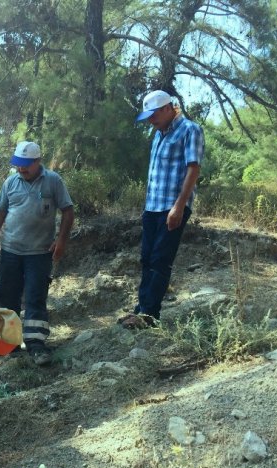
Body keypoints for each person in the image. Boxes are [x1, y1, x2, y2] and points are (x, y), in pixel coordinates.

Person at [118, 90, 204, 329]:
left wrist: (179, 206)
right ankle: (141, 308)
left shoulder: (189, 130)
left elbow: (193, 169)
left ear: (168, 108)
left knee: (160, 259)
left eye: (153, 114)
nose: (150, 120)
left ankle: (149, 315)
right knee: (147, 258)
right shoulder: (157, 134)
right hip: (153, 207)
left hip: (172, 206)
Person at [0, 141, 74, 366]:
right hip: (11, 251)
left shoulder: (53, 181)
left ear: (37, 162)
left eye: (26, 165)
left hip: (40, 253)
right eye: (18, 165)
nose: (21, 169)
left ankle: (36, 346)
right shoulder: (10, 182)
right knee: (8, 296)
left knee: (35, 297)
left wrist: (61, 240)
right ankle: (9, 344)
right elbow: (0, 211)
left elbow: (67, 210)